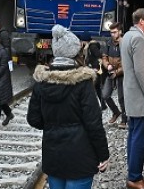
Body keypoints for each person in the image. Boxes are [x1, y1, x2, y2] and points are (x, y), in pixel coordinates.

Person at [27, 24, 110, 189]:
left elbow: (33, 119)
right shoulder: (83, 83)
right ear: (75, 52)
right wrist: (103, 154)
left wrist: (53, 125)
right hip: (81, 156)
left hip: (53, 154)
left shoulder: (41, 82)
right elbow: (94, 124)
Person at [120, 8, 144, 189]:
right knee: (139, 139)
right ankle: (134, 178)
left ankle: (134, 173)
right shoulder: (138, 39)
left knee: (133, 135)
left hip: (131, 93)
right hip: (140, 96)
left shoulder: (127, 36)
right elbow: (141, 71)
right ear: (141, 21)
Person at [101, 22, 127, 128]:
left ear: (120, 32)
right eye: (111, 32)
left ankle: (125, 119)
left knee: (122, 98)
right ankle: (116, 112)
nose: (112, 34)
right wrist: (107, 66)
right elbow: (104, 57)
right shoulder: (108, 43)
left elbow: (127, 62)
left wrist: (117, 72)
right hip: (110, 72)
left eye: (114, 32)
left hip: (122, 74)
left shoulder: (124, 43)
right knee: (105, 95)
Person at [83, 33, 107, 110]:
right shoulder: (91, 46)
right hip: (95, 69)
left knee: (93, 88)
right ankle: (103, 105)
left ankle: (96, 106)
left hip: (95, 70)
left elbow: (98, 55)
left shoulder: (92, 46)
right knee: (97, 88)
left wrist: (95, 66)